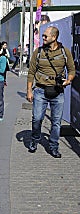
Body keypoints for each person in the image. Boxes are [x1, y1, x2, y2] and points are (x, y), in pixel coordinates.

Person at [26, 26, 75, 158]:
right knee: (37, 119)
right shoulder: (38, 52)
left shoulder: (65, 52)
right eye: (43, 36)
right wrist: (29, 90)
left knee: (56, 122)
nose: (43, 38)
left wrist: (68, 80)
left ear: (54, 37)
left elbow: (71, 70)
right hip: (40, 90)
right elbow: (31, 72)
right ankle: (35, 140)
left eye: (45, 36)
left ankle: (54, 146)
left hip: (58, 91)